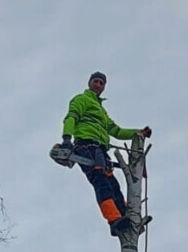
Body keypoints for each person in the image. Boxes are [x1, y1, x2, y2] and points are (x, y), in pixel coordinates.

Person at [60, 72, 152, 236]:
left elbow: (116, 131)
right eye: (95, 81)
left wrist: (138, 133)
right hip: (86, 146)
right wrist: (66, 139)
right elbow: (71, 117)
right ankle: (114, 219)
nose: (98, 85)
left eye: (101, 83)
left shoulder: (102, 111)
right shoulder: (82, 100)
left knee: (113, 185)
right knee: (101, 180)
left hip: (101, 150)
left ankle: (126, 217)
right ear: (89, 83)